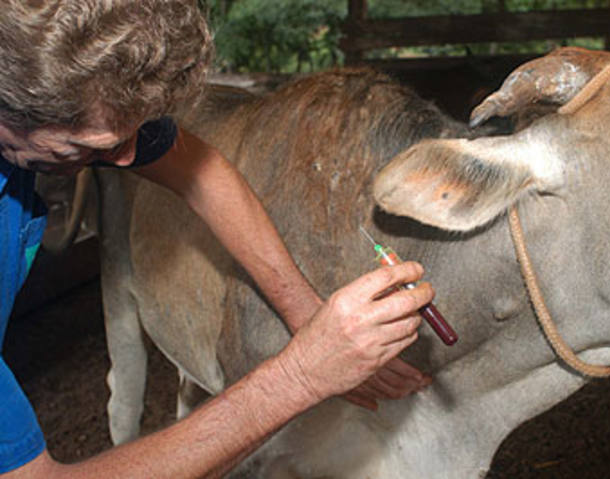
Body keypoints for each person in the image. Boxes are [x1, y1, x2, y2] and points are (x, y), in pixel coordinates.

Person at [0, 1, 433, 477]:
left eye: (135, 135)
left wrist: (304, 312)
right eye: (99, 147)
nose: (129, 159)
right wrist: (303, 374)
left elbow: (200, 172)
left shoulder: (42, 117)